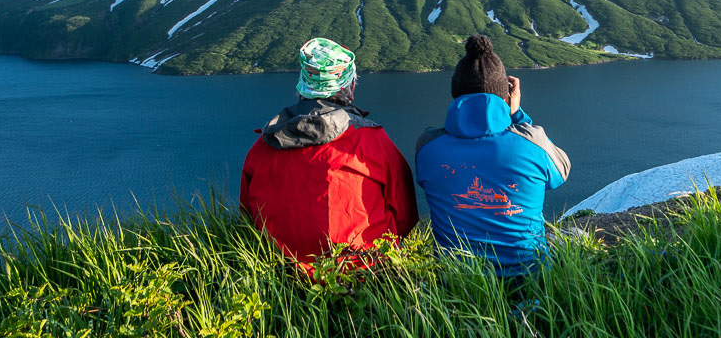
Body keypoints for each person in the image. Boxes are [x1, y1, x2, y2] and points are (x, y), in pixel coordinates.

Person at [240, 37, 418, 272]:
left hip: (282, 273)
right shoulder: (371, 141)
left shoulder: (264, 146)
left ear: (302, 87)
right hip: (364, 273)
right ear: (349, 89)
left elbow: (247, 214)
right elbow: (404, 216)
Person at [415, 34, 571, 277]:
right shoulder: (531, 142)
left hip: (456, 282)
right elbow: (562, 171)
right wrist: (518, 115)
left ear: (455, 94)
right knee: (573, 238)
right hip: (530, 279)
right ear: (507, 95)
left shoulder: (427, 145)